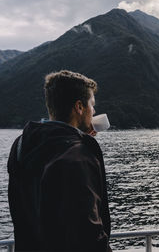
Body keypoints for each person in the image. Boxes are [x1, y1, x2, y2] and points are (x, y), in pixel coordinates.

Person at [7, 70, 112, 251]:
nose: (94, 111)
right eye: (92, 105)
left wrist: (77, 135)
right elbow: (88, 234)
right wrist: (81, 142)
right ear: (79, 107)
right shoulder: (78, 156)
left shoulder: (22, 145)